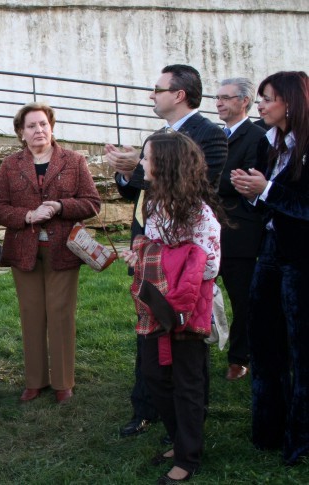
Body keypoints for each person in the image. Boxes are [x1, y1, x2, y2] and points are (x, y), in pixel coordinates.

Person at [105, 64, 227, 438]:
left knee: (186, 342)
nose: (151, 95)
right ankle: (147, 408)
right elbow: (135, 191)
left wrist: (139, 169)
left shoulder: (211, 135)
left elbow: (198, 184)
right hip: (149, 249)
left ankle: (189, 418)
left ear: (179, 94)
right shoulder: (156, 136)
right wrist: (128, 174)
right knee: (148, 330)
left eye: (157, 89)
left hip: (184, 259)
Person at [122, 130, 222, 484]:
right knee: (155, 374)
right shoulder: (154, 203)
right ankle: (181, 440)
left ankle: (188, 456)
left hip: (188, 307)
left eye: (147, 157)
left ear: (164, 164)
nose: (141, 163)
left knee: (187, 382)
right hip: (156, 304)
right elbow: (152, 243)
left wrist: (157, 258)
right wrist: (141, 253)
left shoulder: (198, 212)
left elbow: (209, 264)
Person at [0, 102, 101, 404]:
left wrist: (61, 207)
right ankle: (35, 381)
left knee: (61, 314)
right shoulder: (11, 165)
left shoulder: (74, 160)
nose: (39, 130)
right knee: (32, 315)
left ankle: (63, 381)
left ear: (52, 128)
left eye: (43, 124)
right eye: (31, 126)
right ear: (21, 133)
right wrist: (26, 216)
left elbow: (92, 202)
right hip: (24, 250)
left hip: (63, 249)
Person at [230, 70, 309, 465]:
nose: (259, 104)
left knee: (301, 351)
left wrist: (268, 190)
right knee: (264, 342)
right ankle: (268, 429)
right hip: (272, 250)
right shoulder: (271, 143)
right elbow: (270, 204)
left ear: (291, 102)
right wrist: (252, 191)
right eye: (259, 97)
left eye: (267, 98)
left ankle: (300, 440)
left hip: (302, 259)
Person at [214, 78, 266, 381]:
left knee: (242, 299)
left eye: (226, 98)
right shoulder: (215, 134)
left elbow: (242, 180)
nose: (219, 102)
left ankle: (239, 357)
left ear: (244, 101)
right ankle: (201, 346)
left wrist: (202, 181)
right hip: (208, 229)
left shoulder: (257, 136)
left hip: (239, 232)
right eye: (217, 97)